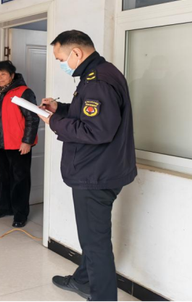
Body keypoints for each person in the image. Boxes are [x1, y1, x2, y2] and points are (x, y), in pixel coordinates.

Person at [39, 30, 137, 302]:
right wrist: (59, 109)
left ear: (76, 53)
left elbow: (96, 131)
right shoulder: (99, 74)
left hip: (95, 173)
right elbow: (89, 114)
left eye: (61, 59)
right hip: (101, 168)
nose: (62, 64)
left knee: (96, 244)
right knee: (91, 236)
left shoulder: (98, 82)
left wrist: (53, 122)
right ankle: (83, 281)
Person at [0, 60, 39, 228]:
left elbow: (32, 118)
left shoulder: (24, 92)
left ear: (12, 75)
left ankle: (20, 214)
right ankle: (5, 208)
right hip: (0, 143)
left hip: (19, 145)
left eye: (3, 74)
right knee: (4, 176)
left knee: (20, 179)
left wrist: (27, 141)